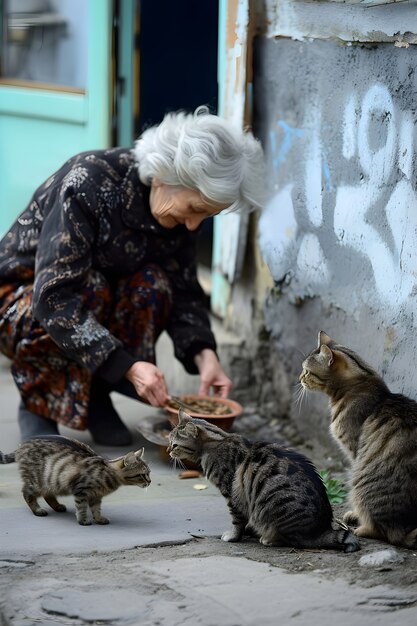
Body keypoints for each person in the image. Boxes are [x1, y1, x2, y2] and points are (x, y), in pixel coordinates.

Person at [0, 106, 266, 445]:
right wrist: (126, 365)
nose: (194, 225)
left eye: (208, 216)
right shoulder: (87, 183)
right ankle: (38, 403)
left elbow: (182, 287)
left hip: (87, 297)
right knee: (88, 288)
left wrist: (204, 354)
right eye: (195, 209)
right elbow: (54, 299)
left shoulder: (178, 210)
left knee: (153, 284)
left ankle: (95, 394)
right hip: (19, 300)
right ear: (162, 177)